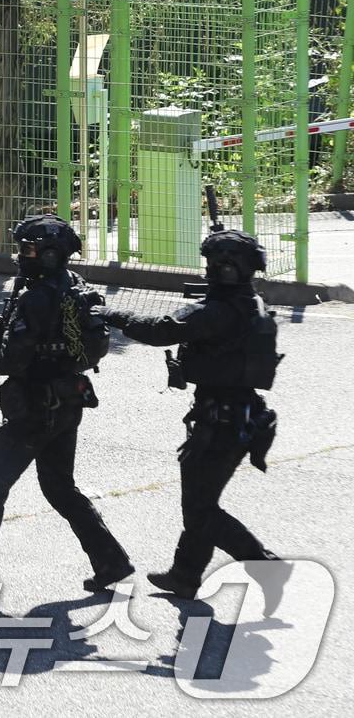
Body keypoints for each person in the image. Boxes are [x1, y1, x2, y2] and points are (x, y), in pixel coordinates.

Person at [0, 214, 133, 592]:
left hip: (35, 409)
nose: (23, 256)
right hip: (67, 402)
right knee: (59, 488)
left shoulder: (38, 297)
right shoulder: (74, 286)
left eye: (30, 249)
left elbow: (18, 356)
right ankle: (112, 560)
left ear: (51, 255)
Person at [102, 229, 281, 599]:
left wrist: (111, 313)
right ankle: (185, 575)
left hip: (221, 423)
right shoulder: (253, 304)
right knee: (202, 501)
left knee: (200, 509)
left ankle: (261, 563)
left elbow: (160, 330)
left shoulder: (216, 311)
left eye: (213, 264)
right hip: (244, 416)